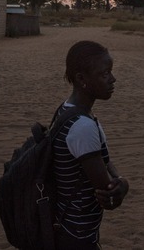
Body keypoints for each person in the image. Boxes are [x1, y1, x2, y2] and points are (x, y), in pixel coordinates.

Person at [52, 40, 130, 250]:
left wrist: (118, 178)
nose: (113, 79)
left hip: (67, 225)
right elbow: (108, 194)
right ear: (81, 79)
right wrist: (123, 185)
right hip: (76, 233)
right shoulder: (81, 126)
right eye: (105, 74)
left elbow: (103, 160)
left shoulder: (67, 110)